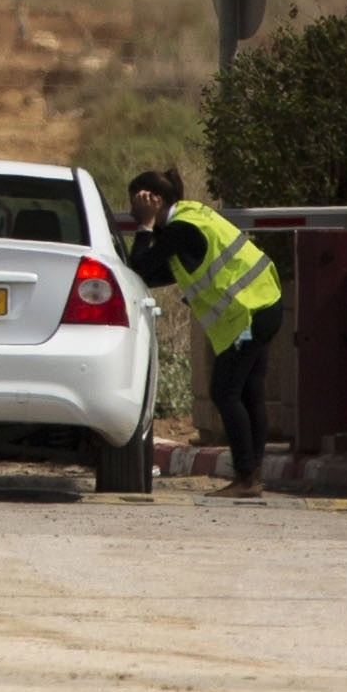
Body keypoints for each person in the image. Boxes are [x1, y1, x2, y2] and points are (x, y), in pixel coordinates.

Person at [123, 167, 283, 491]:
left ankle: (246, 476)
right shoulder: (192, 215)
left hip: (247, 317)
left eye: (137, 204)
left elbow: (140, 266)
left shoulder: (178, 229)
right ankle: (251, 475)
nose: (133, 211)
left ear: (154, 200)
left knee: (225, 392)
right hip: (265, 304)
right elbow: (155, 273)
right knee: (250, 392)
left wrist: (143, 227)